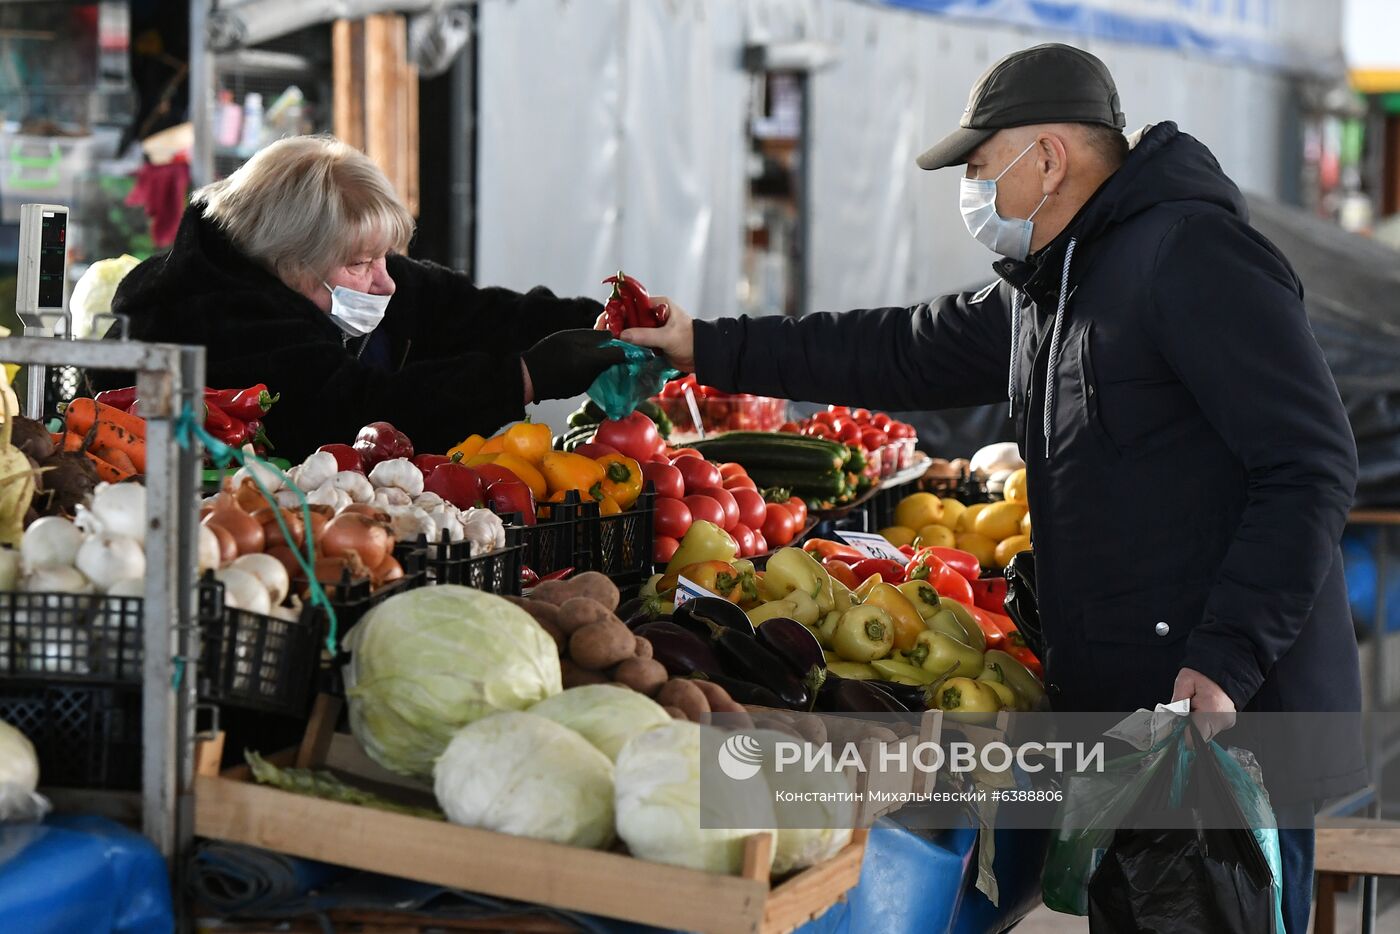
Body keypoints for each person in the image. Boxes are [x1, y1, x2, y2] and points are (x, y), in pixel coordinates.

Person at [626, 44, 1361, 932]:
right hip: (1140, 718)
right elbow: (899, 347)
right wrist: (709, 344)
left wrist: (1225, 657)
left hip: (1229, 721)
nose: (975, 191)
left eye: (980, 166)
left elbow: (1310, 463)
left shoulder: (1192, 258)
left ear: (1047, 158)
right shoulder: (1052, 284)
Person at [100, 135, 624, 459]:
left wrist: (610, 322)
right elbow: (357, 413)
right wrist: (526, 377)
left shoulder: (320, 265)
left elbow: (469, 310)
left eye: (383, 257)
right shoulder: (209, 315)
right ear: (290, 263)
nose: (385, 281)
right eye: (359, 264)